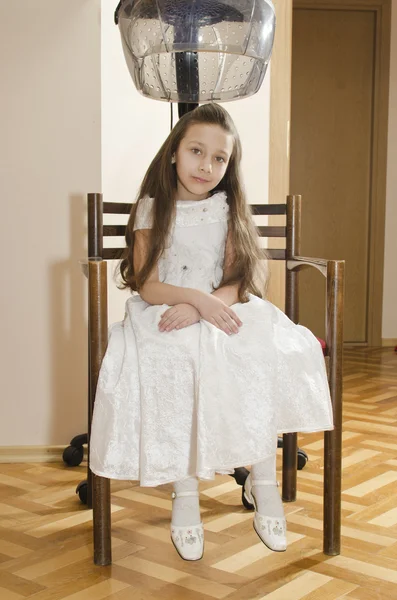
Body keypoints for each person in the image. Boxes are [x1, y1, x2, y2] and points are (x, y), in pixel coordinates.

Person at [89, 103, 333, 561]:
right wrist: (192, 302)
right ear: (174, 154)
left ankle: (265, 484)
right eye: (196, 152)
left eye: (219, 158)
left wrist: (204, 307)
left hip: (221, 306)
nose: (206, 165)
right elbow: (149, 283)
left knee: (255, 353)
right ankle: (186, 495)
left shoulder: (227, 207)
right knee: (178, 361)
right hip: (165, 309)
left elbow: (236, 281)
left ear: (229, 164)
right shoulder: (152, 209)